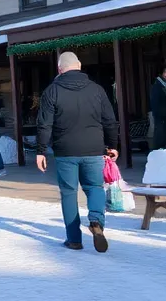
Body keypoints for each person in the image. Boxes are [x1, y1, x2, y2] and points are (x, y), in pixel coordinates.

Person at [35, 52, 119, 252]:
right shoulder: (97, 90)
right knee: (95, 187)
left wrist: (41, 151)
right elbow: (109, 119)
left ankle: (74, 239)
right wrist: (112, 145)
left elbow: (44, 124)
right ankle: (96, 221)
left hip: (65, 151)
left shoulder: (51, 91)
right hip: (93, 148)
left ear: (59, 69)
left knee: (69, 193)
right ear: (80, 66)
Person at [149, 66, 166, 150]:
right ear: (162, 74)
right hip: (161, 114)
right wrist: (157, 113)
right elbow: (154, 101)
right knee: (160, 130)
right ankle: (159, 147)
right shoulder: (157, 85)